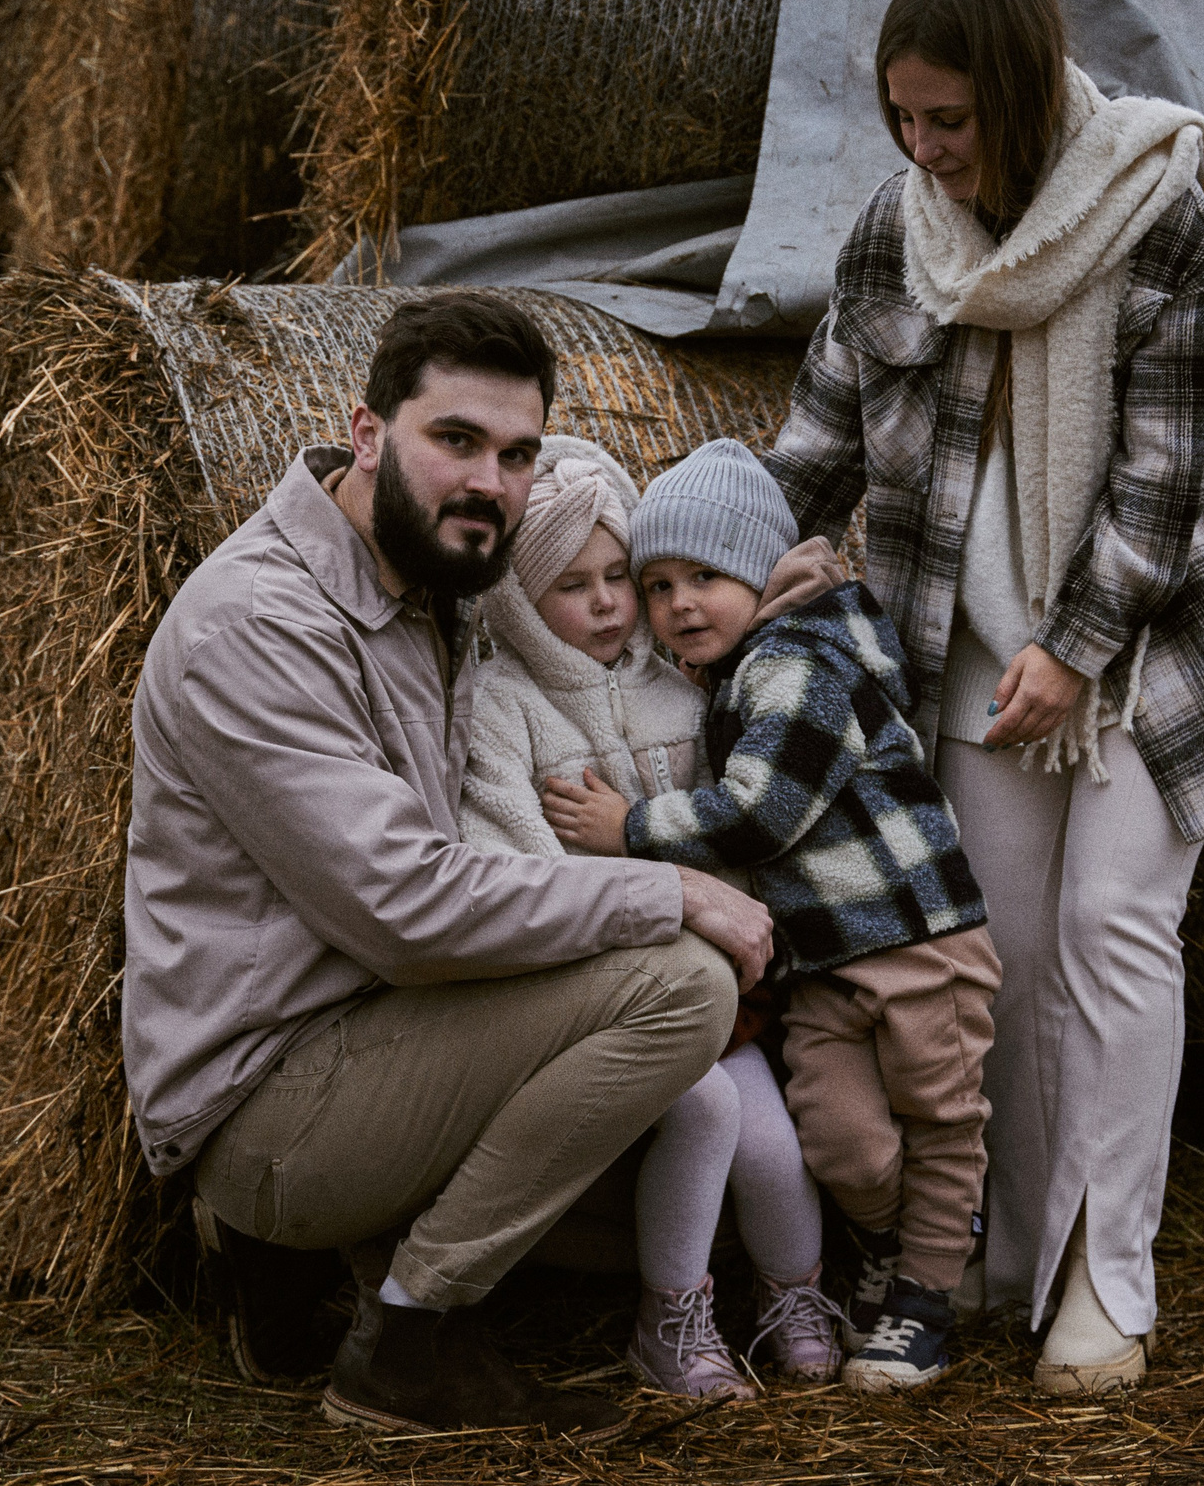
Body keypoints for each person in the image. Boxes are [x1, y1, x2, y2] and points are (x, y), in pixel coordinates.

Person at [763, 0, 1204, 1393]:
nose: (923, 148)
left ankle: (1106, 1278)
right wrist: (734, 568)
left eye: (948, 119)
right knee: (997, 960)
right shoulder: (903, 236)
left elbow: (1168, 471)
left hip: (1153, 649)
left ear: (1015, 98)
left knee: (1109, 932)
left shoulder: (1153, 210)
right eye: (903, 116)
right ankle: (1003, 1251)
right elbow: (821, 428)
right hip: (967, 647)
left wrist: (1077, 651)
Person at [120, 293, 776, 1439]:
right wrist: (671, 885)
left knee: (683, 1208)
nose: (489, 481)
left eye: (516, 455)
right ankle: (405, 1342)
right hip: (269, 1102)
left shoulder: (434, 587)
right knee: (681, 984)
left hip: (387, 1041)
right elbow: (408, 911)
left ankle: (312, 1278)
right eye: (455, 441)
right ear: (369, 434)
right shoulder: (258, 625)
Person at [544, 439, 1002, 1394]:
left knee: (942, 1114)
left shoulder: (800, 660)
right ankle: (898, 1242)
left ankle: (924, 1298)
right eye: (657, 582)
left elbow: (759, 812)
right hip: (827, 960)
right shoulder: (742, 670)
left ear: (758, 569)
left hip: (919, 938)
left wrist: (629, 826)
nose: (676, 606)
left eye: (704, 576)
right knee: (840, 1137)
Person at [456, 434, 842, 1398]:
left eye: (618, 576)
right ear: (515, 599)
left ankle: (794, 1295)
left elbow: (741, 829)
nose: (607, 604)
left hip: (719, 987)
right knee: (705, 1110)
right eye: (569, 585)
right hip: (604, 997)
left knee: (772, 1141)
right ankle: (671, 1318)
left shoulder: (685, 686)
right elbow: (515, 867)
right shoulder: (502, 708)